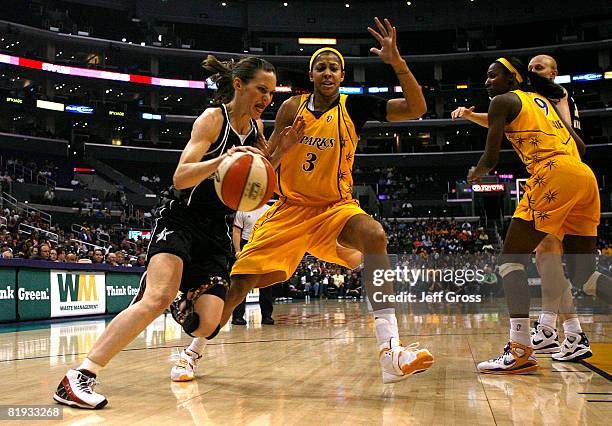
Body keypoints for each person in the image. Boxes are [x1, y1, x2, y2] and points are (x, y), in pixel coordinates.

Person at [53, 55, 304, 408]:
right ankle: (79, 377)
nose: (266, 98)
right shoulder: (213, 119)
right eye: (260, 89)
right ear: (238, 85)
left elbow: (256, 183)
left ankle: (180, 299)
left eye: (270, 92)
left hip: (216, 230)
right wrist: (223, 160)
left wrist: (280, 154)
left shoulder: (257, 130)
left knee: (208, 324)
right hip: (181, 218)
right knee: (155, 299)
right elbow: (181, 176)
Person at [221, 17, 434, 384]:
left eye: (334, 67)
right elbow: (269, 164)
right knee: (239, 285)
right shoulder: (291, 108)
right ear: (312, 74)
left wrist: (397, 62)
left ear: (342, 74)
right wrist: (276, 151)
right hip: (288, 210)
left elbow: (417, 108)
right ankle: (192, 353)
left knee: (375, 235)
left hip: (335, 210)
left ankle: (390, 352)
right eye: (320, 67)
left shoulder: (356, 108)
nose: (327, 72)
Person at [467, 57, 611, 374]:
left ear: (512, 78)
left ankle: (520, 349)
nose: (488, 82)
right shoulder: (542, 102)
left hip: (552, 175)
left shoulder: (503, 101)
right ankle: (559, 334)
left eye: (493, 76)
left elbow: (490, 158)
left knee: (510, 261)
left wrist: (476, 172)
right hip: (585, 178)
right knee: (583, 275)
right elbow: (581, 146)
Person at [230, 202, 275, 326]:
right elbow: (236, 231)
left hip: (264, 246)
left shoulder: (270, 210)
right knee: (242, 283)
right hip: (247, 245)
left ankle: (267, 316)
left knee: (266, 284)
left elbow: (273, 231)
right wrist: (238, 250)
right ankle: (237, 316)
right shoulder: (243, 209)